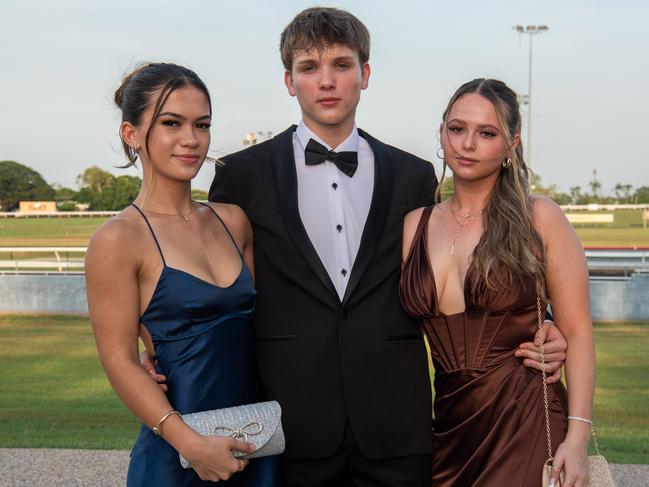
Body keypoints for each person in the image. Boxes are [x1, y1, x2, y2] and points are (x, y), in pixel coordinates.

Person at [142, 8, 568, 486]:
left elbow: (455, 271)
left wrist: (541, 323)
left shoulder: (413, 176)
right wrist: (153, 346)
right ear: (289, 80)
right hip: (290, 422)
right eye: (309, 68)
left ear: (365, 74)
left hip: (397, 427)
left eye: (342, 65)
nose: (327, 81)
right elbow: (218, 285)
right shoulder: (241, 176)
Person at [85, 62, 280, 486]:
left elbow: (262, 326)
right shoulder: (118, 238)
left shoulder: (234, 221)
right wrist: (192, 445)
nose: (191, 139)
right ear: (131, 134)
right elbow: (118, 361)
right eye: (171, 123)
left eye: (202, 124)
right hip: (178, 454)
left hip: (254, 441)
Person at [400, 78, 595, 486]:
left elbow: (577, 330)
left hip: (525, 422)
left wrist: (577, 438)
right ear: (442, 133)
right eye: (457, 129)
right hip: (449, 431)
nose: (467, 144)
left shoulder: (539, 217)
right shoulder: (414, 225)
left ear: (511, 145)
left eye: (486, 133)